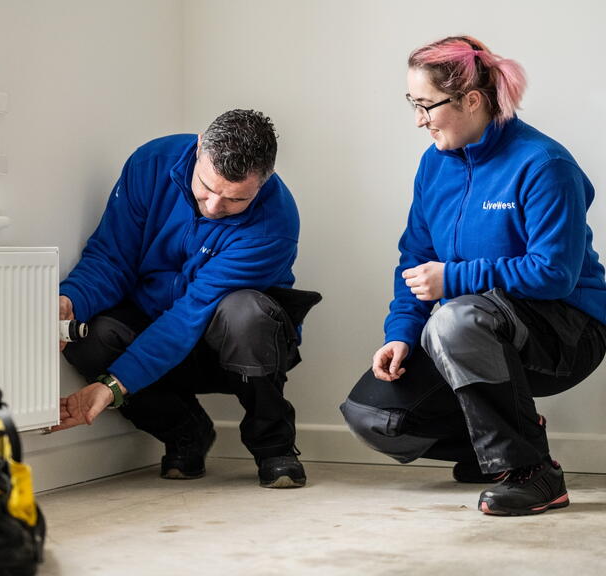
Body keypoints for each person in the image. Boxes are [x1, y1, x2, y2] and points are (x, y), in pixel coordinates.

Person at [340, 36, 606, 515]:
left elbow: (555, 274)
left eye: (426, 105)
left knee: (455, 319)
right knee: (373, 415)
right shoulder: (434, 165)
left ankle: (533, 473)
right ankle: (498, 449)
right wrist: (401, 333)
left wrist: (454, 279)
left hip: (567, 332)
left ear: (472, 101)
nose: (418, 119)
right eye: (412, 104)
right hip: (474, 330)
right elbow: (416, 258)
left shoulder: (544, 165)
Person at [51, 109, 321, 489]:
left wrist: (112, 387)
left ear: (265, 180)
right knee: (89, 336)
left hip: (230, 350)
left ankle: (274, 447)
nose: (213, 207)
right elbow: (113, 258)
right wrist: (70, 300)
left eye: (235, 199)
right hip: (153, 329)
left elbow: (189, 315)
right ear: (199, 148)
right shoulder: (150, 164)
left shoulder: (274, 225)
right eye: (206, 187)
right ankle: (185, 433)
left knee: (247, 314)